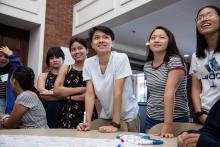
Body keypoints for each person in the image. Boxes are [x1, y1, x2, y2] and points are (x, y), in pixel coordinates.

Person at [77, 26, 139, 133]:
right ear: (92, 44)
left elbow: (117, 91)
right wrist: (87, 122)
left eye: (105, 37)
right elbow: (90, 94)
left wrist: (115, 124)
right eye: (96, 38)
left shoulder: (121, 58)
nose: (101, 40)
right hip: (107, 114)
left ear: (112, 43)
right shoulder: (88, 63)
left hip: (128, 115)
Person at [144, 26, 190, 137]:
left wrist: (167, 125)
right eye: (153, 37)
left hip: (175, 119)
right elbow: (152, 93)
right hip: (151, 118)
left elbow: (169, 93)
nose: (156, 40)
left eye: (162, 37)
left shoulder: (175, 61)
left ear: (169, 42)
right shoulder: (147, 66)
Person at [54, 37, 97, 128]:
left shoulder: (94, 69)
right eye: (73, 49)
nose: (77, 52)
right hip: (66, 112)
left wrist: (68, 95)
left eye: (80, 48)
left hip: (87, 112)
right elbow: (57, 90)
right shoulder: (65, 67)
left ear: (87, 50)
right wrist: (82, 89)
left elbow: (95, 94)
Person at [189, 5, 220, 125]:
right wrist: (199, 113)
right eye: (200, 17)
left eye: (209, 15)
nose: (204, 19)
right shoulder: (197, 56)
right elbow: (196, 87)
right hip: (205, 114)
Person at [37, 47, 65, 128]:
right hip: (48, 110)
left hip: (66, 110)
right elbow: (42, 93)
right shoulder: (43, 75)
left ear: (63, 58)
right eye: (51, 58)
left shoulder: (68, 75)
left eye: (57, 57)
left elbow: (70, 93)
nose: (55, 60)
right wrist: (61, 93)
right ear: (48, 61)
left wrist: (50, 92)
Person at [0, 46, 22, 114]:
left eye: (6, 56)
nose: (3, 59)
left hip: (4, 102)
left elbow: (20, 68)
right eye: (0, 56)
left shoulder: (13, 70)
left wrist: (10, 54)